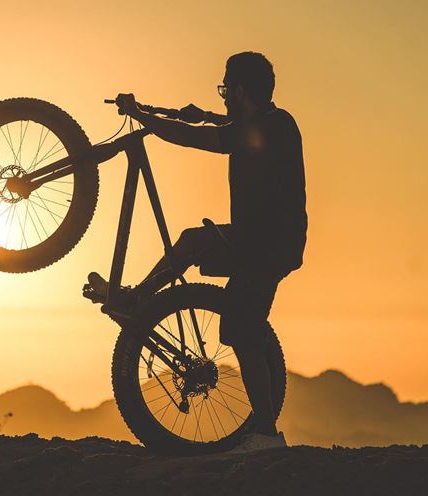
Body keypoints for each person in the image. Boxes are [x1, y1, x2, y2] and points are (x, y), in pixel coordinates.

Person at [87, 51, 307, 451]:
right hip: (254, 239)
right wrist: (157, 110)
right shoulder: (263, 121)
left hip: (268, 248)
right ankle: (138, 298)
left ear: (240, 90)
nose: (223, 97)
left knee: (243, 332)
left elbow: (201, 137)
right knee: (194, 243)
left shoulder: (271, 128)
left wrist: (148, 122)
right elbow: (206, 119)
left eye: (226, 89)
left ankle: (266, 435)